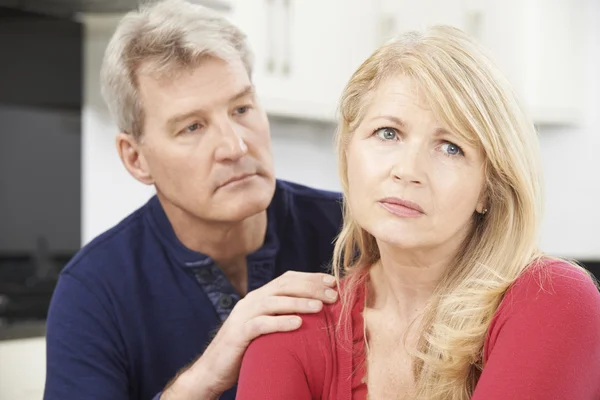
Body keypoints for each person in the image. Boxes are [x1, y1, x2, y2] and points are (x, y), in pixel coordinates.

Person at [236, 25, 600, 400]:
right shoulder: (291, 328)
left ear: (489, 189)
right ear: (348, 149)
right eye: (388, 133)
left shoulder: (554, 299)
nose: (408, 170)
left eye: (451, 147)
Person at [43, 1, 343, 399]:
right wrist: (206, 375)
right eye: (192, 127)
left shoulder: (353, 230)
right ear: (136, 158)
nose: (235, 146)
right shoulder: (93, 291)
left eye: (242, 108)